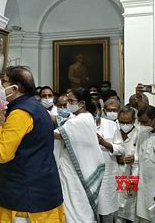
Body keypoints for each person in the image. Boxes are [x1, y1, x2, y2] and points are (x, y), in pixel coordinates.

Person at [0, 66, 64, 222]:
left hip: (24, 197)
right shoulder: (37, 107)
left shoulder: (20, 113)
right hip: (43, 187)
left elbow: (3, 154)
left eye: (4, 82)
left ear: (15, 88)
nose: (0, 87)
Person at [54, 87, 104, 222]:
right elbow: (61, 121)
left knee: (77, 204)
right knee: (75, 204)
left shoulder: (81, 120)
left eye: (71, 101)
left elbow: (60, 135)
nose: (68, 104)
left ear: (82, 103)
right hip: (72, 167)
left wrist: (39, 129)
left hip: (77, 171)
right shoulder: (81, 117)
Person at [105, 106, 139, 222]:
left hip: (132, 177)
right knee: (117, 213)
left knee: (132, 211)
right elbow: (113, 150)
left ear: (134, 120)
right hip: (117, 176)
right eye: (122, 122)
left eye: (128, 122)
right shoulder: (115, 132)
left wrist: (135, 158)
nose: (125, 125)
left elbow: (143, 157)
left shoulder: (139, 134)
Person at [95, 103, 120, 222]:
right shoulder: (81, 125)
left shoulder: (111, 125)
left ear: (100, 111)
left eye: (95, 111)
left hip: (107, 175)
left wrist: (104, 143)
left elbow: (121, 148)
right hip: (87, 175)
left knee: (107, 211)